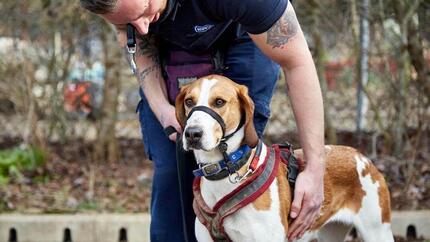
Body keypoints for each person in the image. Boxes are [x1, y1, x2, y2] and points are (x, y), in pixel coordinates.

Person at [80, 0, 326, 241]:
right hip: (170, 47)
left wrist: (315, 169)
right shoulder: (132, 14)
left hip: (244, 38)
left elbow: (297, 62)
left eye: (144, 11)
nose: (142, 27)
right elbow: (138, 40)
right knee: (172, 174)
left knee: (233, 162)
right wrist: (163, 109)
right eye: (126, 23)